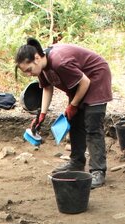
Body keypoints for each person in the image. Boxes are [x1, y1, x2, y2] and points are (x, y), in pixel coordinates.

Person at [15, 38, 112, 189]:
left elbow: (85, 82)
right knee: (74, 122)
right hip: (81, 83)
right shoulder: (42, 67)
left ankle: (98, 171)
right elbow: (47, 88)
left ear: (37, 58)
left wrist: (73, 105)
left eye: (28, 70)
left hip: (95, 76)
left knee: (92, 126)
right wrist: (42, 115)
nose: (29, 74)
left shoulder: (60, 61)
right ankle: (76, 162)